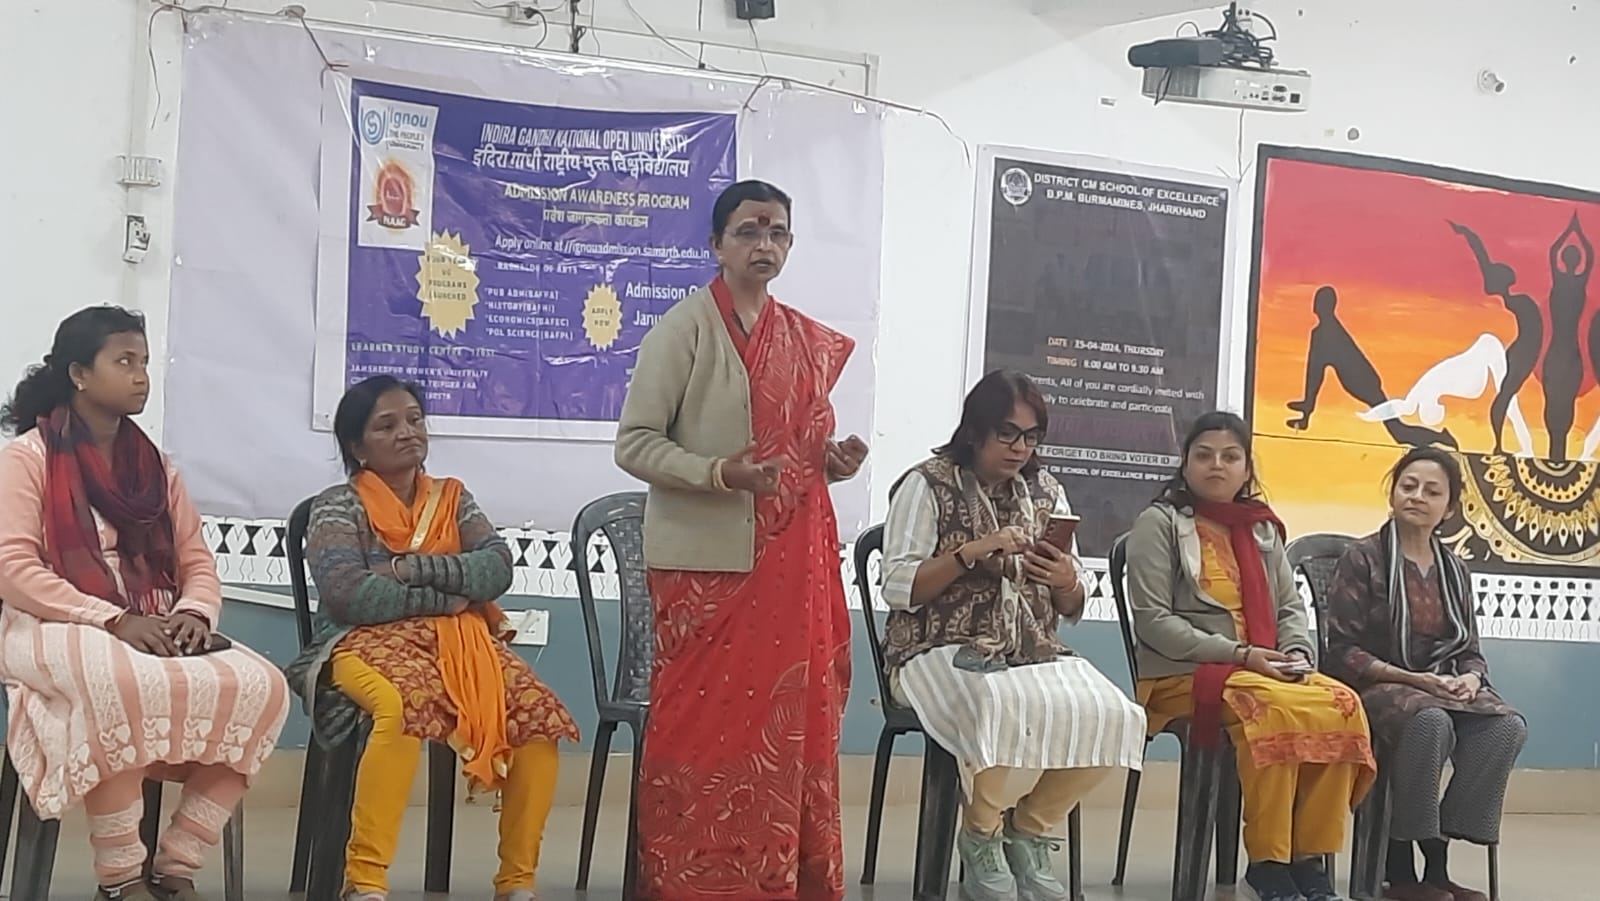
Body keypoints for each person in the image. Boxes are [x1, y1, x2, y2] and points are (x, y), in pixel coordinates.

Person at [615, 179, 868, 901]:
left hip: (791, 566)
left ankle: (777, 875)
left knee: (786, 728)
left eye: (777, 232)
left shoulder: (802, 339)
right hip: (708, 571)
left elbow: (795, 452)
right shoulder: (683, 330)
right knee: (703, 731)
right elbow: (634, 443)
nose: (765, 245)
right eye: (749, 232)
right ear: (717, 245)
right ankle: (693, 878)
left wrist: (831, 462)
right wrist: (718, 472)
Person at [0, 306, 290, 901]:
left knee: (262, 686)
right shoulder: (27, 458)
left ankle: (178, 863)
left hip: (152, 619)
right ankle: (121, 877)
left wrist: (194, 614)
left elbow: (196, 561)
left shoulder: (156, 468)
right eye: (124, 361)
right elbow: (14, 570)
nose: (141, 376)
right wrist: (112, 618)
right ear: (79, 374)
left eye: (145, 362)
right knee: (122, 683)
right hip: (52, 620)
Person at [284, 376, 578, 901]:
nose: (407, 432)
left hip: (459, 644)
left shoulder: (453, 499)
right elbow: (350, 595)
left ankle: (517, 881)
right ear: (357, 446)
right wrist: (447, 598)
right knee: (402, 707)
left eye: (414, 420)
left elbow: (496, 569)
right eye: (386, 425)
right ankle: (365, 880)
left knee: (539, 718)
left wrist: (408, 569)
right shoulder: (337, 506)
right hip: (358, 642)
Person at [879, 370, 1146, 901]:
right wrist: (969, 553)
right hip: (933, 645)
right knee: (999, 702)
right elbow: (899, 587)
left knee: (1117, 714)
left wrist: (1066, 579)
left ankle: (1028, 829)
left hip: (1030, 647)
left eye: (1031, 437)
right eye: (1007, 433)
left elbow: (1072, 606)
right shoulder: (927, 484)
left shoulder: (1047, 490)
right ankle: (980, 835)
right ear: (975, 430)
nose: (1020, 448)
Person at [1125, 411, 1376, 901]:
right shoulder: (1159, 524)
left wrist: (1296, 652)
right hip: (1185, 672)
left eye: (1230, 457)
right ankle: (1268, 863)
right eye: (1204, 455)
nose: (1216, 466)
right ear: (1185, 464)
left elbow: (1289, 608)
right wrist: (1242, 654)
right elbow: (1153, 621)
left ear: (1246, 470)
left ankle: (1309, 859)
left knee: (1342, 704)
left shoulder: (1261, 530)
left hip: (1262, 668)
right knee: (1273, 709)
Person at [1324, 447, 1526, 901]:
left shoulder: (1454, 568)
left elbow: (1469, 652)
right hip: (1377, 685)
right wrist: (1413, 679)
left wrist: (1471, 680)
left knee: (1505, 727)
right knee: (1429, 721)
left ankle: (1438, 855)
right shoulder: (1364, 558)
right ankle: (1400, 869)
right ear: (1393, 493)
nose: (1417, 496)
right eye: (1408, 486)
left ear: (1449, 508)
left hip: (1441, 683)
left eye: (1432, 491)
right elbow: (1341, 652)